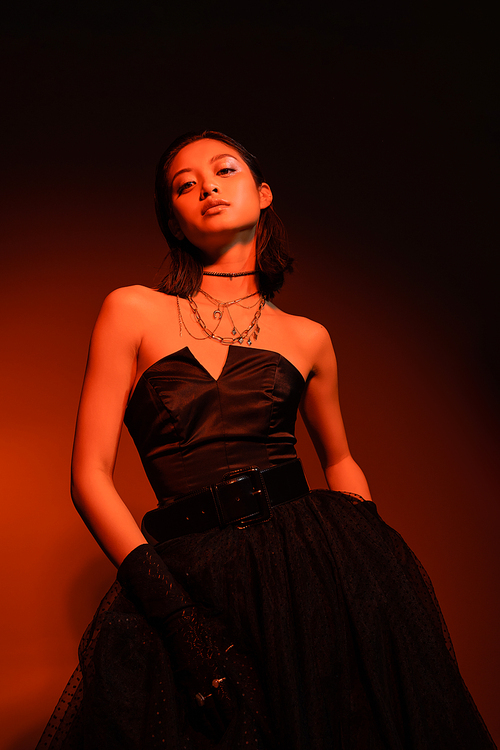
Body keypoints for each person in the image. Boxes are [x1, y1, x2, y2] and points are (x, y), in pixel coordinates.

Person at [37, 130, 495, 749]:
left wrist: (369, 578)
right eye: (184, 184)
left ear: (264, 194)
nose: (207, 188)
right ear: (172, 220)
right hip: (185, 568)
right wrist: (173, 614)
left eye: (224, 170)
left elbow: (341, 460)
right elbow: (89, 474)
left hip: (310, 564)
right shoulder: (130, 310)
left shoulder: (309, 337)